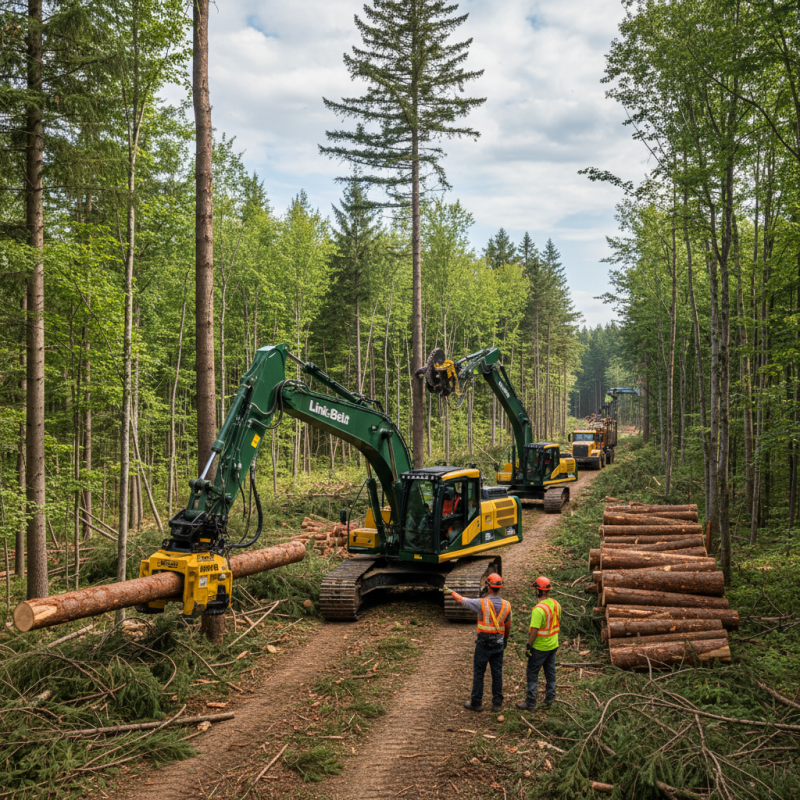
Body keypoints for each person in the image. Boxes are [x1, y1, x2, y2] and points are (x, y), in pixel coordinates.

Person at [446, 573, 511, 712]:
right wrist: (505, 640)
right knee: (497, 672)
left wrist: (450, 591)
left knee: (479, 672)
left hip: (483, 644)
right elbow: (507, 625)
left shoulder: (481, 603)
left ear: (488, 586)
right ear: (500, 588)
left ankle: (476, 702)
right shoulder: (507, 605)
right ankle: (497, 704)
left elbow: (461, 600)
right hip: (498, 643)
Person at [517, 575, 560, 711]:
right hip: (553, 645)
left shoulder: (538, 609)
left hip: (540, 647)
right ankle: (550, 699)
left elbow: (534, 631)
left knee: (532, 673)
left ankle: (531, 703)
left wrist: (529, 646)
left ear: (539, 592)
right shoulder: (555, 604)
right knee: (550, 672)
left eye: (536, 590)